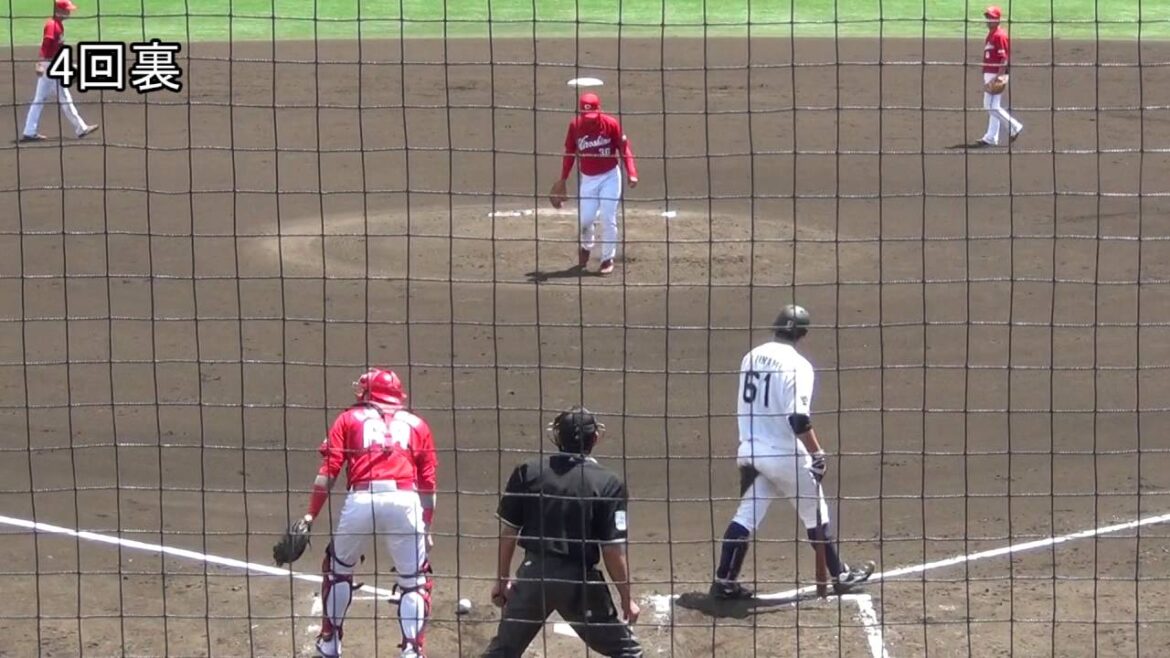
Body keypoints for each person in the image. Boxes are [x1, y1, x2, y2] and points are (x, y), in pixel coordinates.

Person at [710, 305, 875, 600]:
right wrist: (817, 453)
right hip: (784, 455)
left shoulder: (751, 356)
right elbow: (798, 419)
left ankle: (724, 580)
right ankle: (840, 575)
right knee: (816, 514)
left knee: (746, 516)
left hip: (750, 451)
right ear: (803, 334)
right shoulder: (799, 366)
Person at [482, 407, 643, 657]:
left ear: (557, 436)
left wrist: (502, 581)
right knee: (628, 653)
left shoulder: (528, 471)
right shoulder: (609, 483)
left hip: (533, 577)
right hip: (579, 584)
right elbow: (612, 550)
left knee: (502, 652)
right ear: (595, 438)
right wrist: (626, 598)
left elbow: (508, 533)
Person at [302, 368, 438, 658]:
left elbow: (328, 473)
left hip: (362, 500)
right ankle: (412, 651)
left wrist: (310, 515)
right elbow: (428, 485)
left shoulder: (349, 418)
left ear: (368, 392)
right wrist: (426, 527)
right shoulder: (418, 424)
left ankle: (330, 643)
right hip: (405, 501)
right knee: (415, 580)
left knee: (337, 569)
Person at [548, 92, 638, 275]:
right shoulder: (575, 126)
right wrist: (563, 179)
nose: (590, 120)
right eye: (586, 116)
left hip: (610, 177)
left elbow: (624, 149)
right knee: (586, 220)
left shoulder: (611, 124)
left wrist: (631, 172)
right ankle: (586, 247)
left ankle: (607, 258)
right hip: (588, 180)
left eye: (593, 116)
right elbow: (569, 153)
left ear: (599, 110)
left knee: (607, 217)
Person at [20, 0, 100, 142]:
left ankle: (29, 131)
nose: (69, 12)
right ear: (58, 10)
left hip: (53, 64)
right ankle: (81, 128)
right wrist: (40, 63)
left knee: (41, 99)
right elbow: (46, 45)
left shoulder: (58, 25)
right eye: (67, 10)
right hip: (49, 65)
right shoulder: (52, 25)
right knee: (62, 97)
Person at [976, 5, 1023, 147]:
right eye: (987, 17)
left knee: (990, 106)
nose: (988, 20)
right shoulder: (992, 34)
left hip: (995, 74)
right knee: (994, 106)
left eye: (991, 17)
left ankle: (1014, 126)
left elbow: (1004, 58)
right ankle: (991, 137)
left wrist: (998, 77)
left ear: (998, 19)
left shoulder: (999, 35)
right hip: (991, 73)